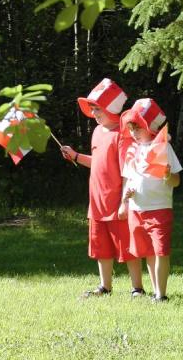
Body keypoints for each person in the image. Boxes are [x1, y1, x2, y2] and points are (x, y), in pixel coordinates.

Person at [61, 78, 144, 298]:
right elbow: (97, 161)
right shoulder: (97, 132)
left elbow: (127, 170)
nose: (95, 113)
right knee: (101, 247)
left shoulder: (122, 134)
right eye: (93, 109)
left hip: (117, 200)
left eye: (98, 108)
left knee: (127, 246)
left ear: (111, 109)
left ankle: (137, 287)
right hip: (96, 201)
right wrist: (76, 156)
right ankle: (104, 286)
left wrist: (124, 201)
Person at [118, 98, 182, 303]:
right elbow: (129, 179)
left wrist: (166, 175)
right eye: (131, 128)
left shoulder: (163, 148)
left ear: (150, 128)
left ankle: (161, 295)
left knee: (160, 251)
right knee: (147, 252)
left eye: (138, 127)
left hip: (159, 209)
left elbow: (176, 181)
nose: (133, 132)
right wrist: (124, 202)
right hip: (137, 209)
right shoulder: (132, 150)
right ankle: (156, 291)